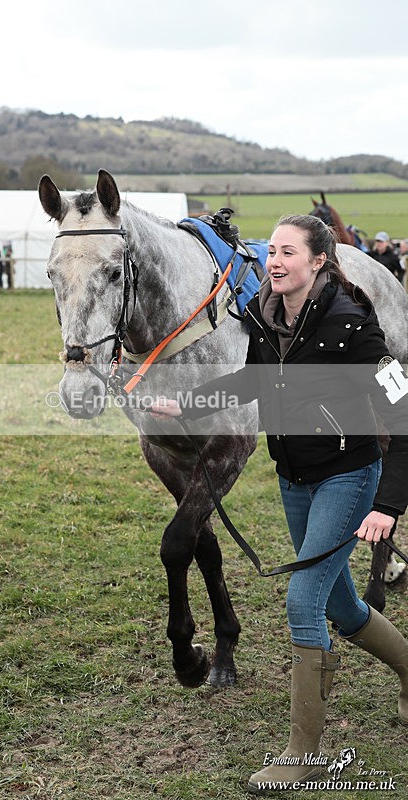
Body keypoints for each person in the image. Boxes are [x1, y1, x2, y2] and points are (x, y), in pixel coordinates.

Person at [150, 214, 408, 791]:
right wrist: (187, 405)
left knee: (302, 602)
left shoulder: (353, 327)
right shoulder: (264, 317)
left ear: (318, 260)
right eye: (270, 251)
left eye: (287, 252)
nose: (273, 262)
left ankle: (302, 755)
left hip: (348, 477)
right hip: (295, 481)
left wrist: (387, 506)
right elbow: (253, 384)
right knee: (341, 608)